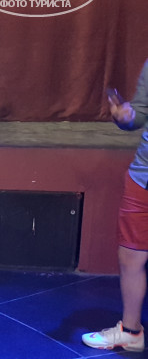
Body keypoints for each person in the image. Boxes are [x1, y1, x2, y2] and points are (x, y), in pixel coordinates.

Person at [81, 60, 148, 352]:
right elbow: (141, 112)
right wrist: (126, 116)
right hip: (143, 175)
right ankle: (131, 332)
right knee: (131, 257)